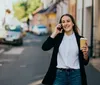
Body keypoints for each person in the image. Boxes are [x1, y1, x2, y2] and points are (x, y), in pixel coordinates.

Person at [42, 14, 89, 85]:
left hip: (76, 75)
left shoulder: (80, 39)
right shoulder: (58, 38)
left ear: (73, 23)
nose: (66, 23)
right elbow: (45, 47)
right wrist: (55, 32)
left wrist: (85, 53)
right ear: (61, 25)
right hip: (60, 75)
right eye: (63, 22)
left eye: (68, 21)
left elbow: (85, 62)